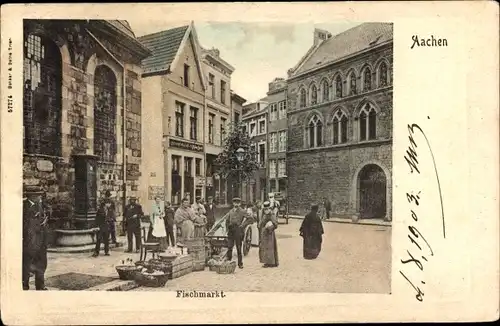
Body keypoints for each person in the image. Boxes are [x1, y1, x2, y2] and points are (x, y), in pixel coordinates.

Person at [22, 186, 49, 290]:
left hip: (41, 240)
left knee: (41, 263)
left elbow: (44, 218)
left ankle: (40, 286)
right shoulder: (23, 207)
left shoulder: (41, 205)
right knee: (27, 264)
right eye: (38, 195)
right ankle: (24, 285)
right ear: (32, 196)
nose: (40, 197)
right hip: (30, 241)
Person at [225, 197, 253, 269]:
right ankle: (229, 261)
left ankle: (240, 263)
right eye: (235, 202)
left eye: (237, 203)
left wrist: (242, 226)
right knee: (229, 246)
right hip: (231, 230)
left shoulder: (242, 211)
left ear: (240, 203)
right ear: (233, 203)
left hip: (238, 230)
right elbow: (227, 220)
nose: (236, 204)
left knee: (238, 247)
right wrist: (227, 228)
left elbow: (250, 219)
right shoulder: (230, 211)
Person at [259, 201, 279, 268]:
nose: (266, 211)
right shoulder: (264, 215)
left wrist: (270, 227)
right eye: (265, 209)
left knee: (270, 248)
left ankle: (271, 262)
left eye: (267, 209)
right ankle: (267, 262)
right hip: (264, 233)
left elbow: (275, 224)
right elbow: (261, 223)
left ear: (269, 209)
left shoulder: (272, 214)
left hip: (270, 234)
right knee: (265, 247)